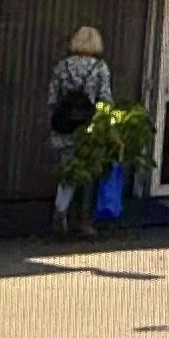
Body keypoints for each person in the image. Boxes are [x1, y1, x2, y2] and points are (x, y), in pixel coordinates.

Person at [47, 25, 115, 238]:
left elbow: (52, 99)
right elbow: (105, 100)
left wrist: (57, 121)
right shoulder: (100, 68)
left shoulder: (62, 67)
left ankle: (61, 210)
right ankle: (83, 221)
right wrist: (106, 124)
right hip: (88, 129)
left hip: (64, 127)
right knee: (88, 175)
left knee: (67, 171)